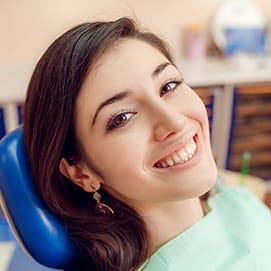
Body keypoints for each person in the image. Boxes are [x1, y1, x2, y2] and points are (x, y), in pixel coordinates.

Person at [23, 17, 271, 271]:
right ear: (81, 172)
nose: (174, 121)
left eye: (169, 86)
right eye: (122, 117)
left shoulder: (232, 199)